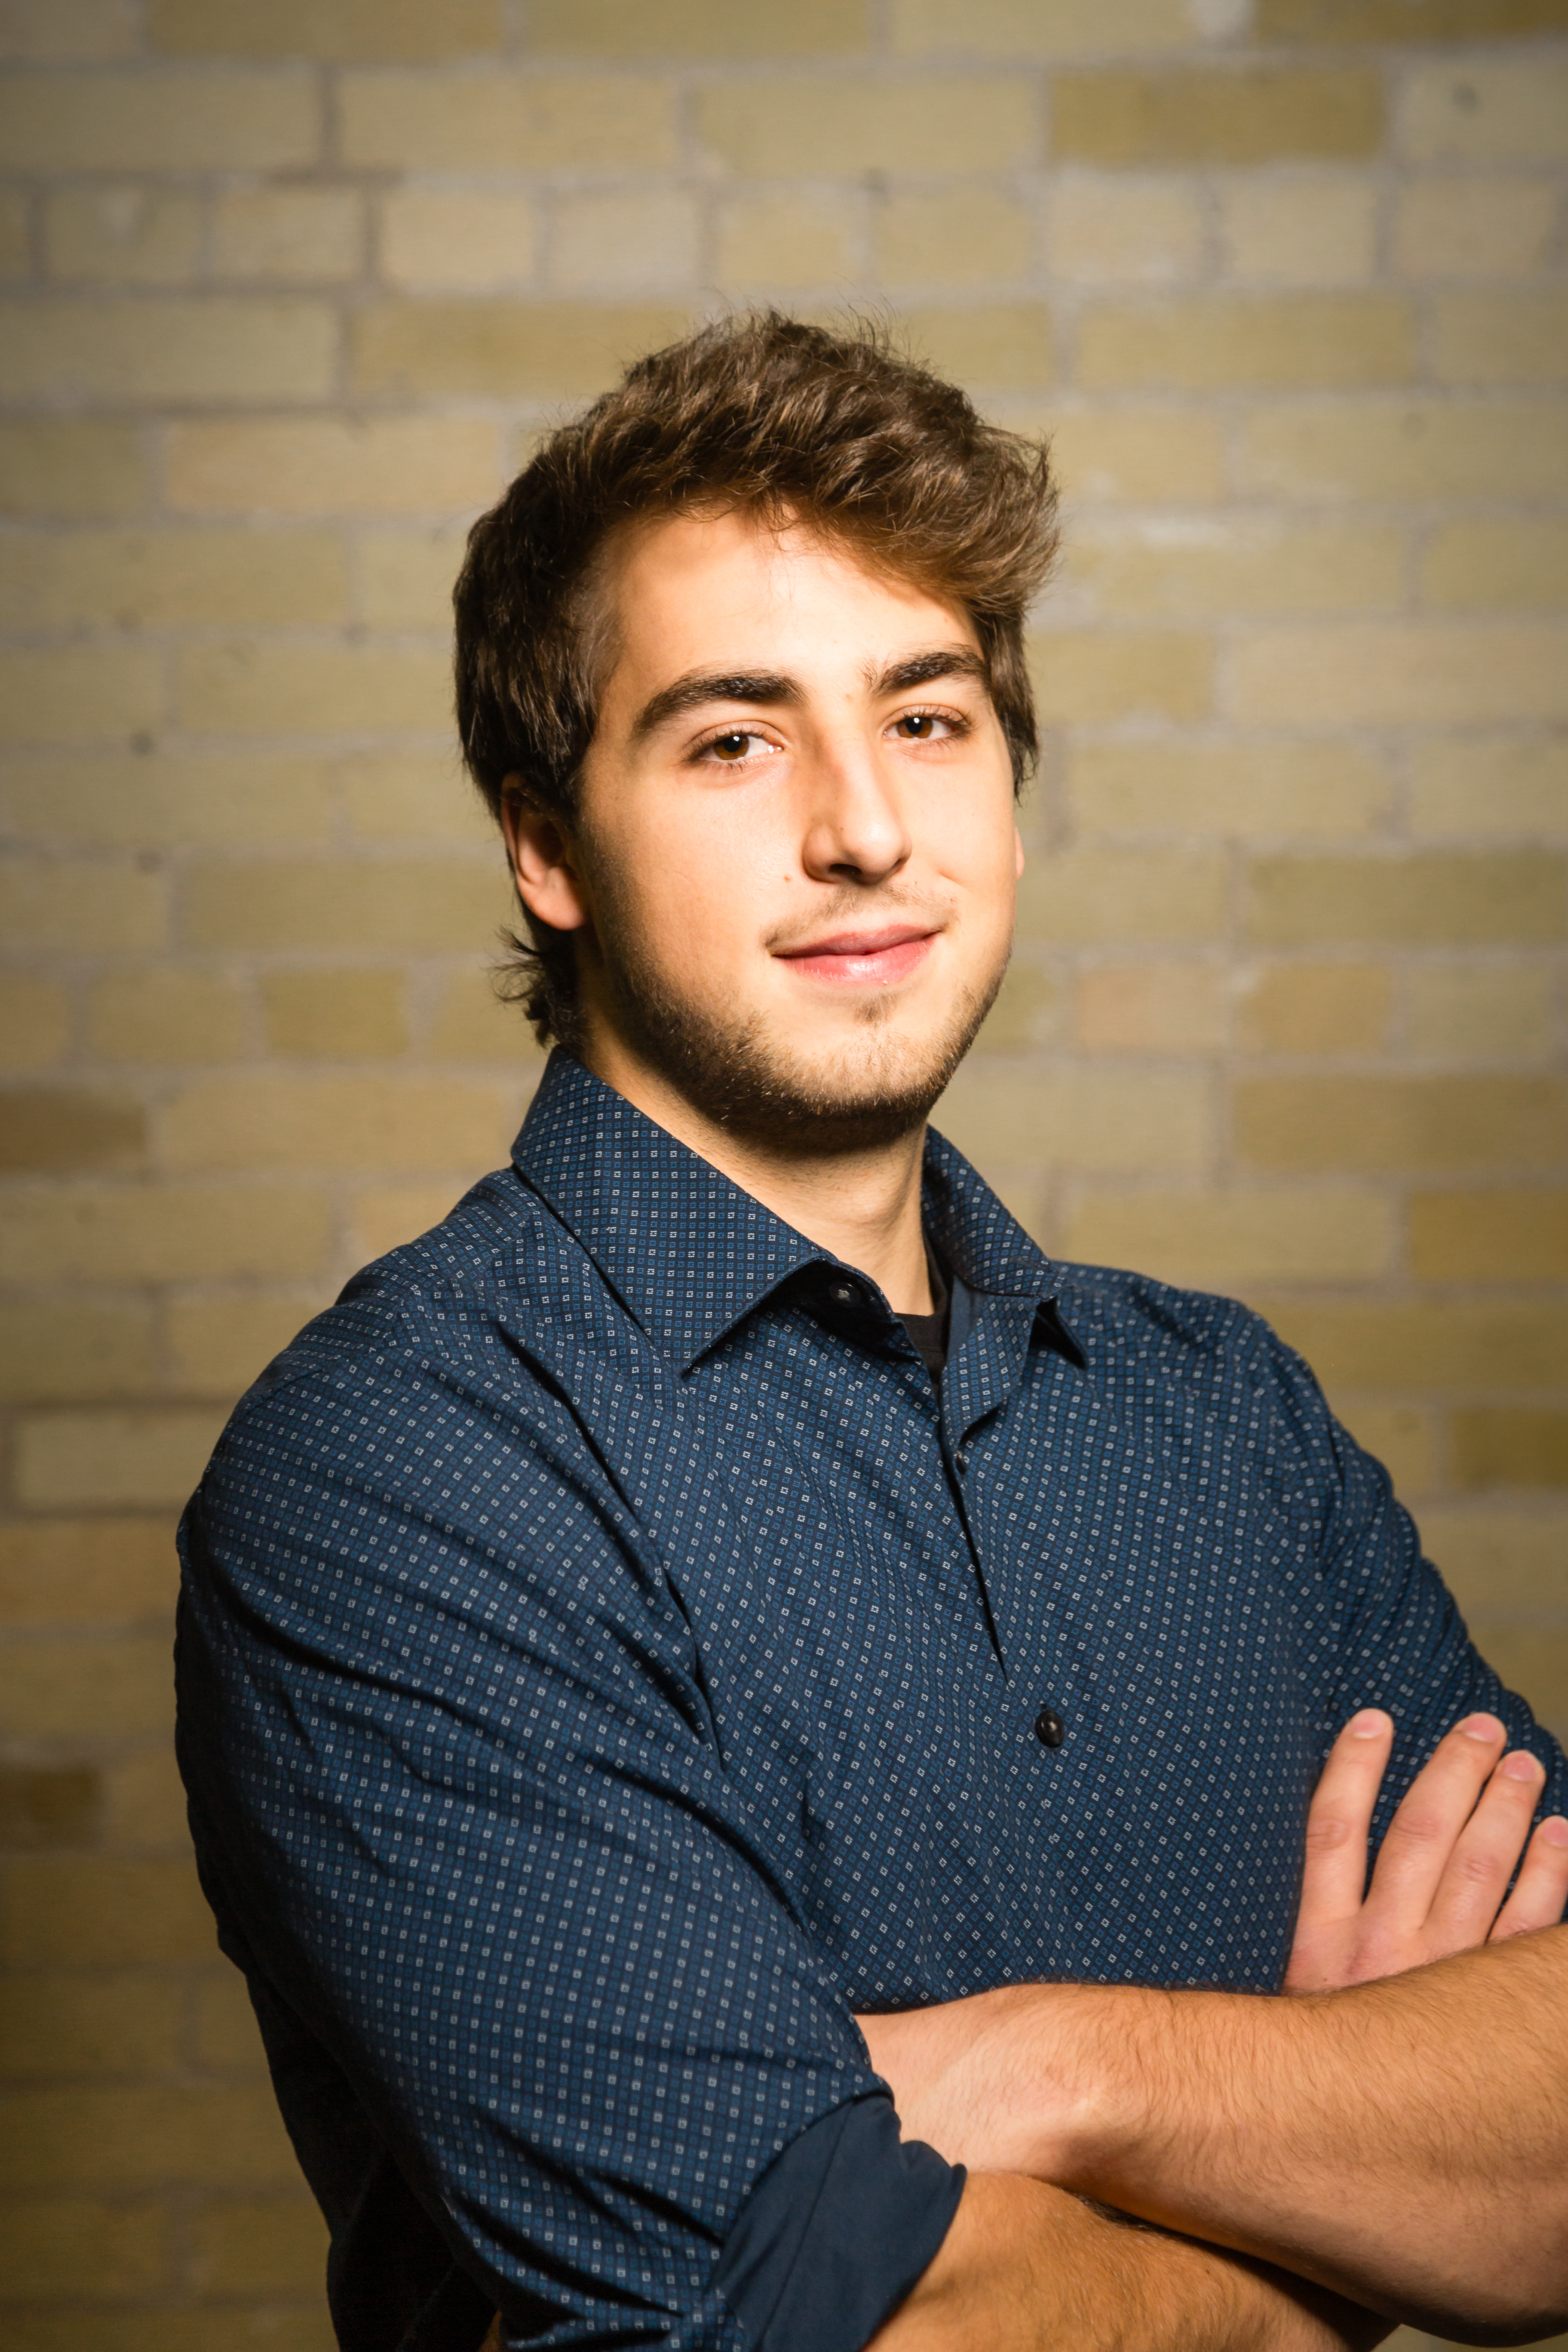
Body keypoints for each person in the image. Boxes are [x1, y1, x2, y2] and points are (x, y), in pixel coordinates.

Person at [175, 314, 1568, 2352]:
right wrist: (1341, 2198)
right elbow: (829, 2319)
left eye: (927, 719)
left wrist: (1042, 2069)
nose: (865, 830)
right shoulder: (402, 1474)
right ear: (546, 842)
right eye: (734, 738)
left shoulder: (1229, 1423)